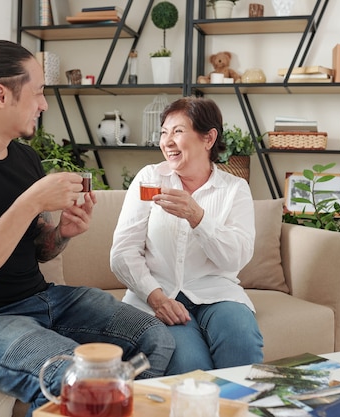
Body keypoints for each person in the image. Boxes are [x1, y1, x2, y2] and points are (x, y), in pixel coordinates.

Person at [0, 40, 174, 415]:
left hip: (46, 299)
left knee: (156, 338)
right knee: (78, 376)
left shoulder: (23, 158)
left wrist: (63, 234)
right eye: (38, 92)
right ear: (0, 95)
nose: (43, 104)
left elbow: (40, 249)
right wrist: (30, 202)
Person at [110, 97, 264, 375]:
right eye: (164, 133)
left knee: (241, 340)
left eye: (178, 132)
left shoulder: (234, 189)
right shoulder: (149, 178)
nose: (167, 141)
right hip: (157, 293)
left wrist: (198, 217)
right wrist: (157, 298)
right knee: (189, 365)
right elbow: (122, 253)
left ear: (208, 138)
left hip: (216, 293)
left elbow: (235, 258)